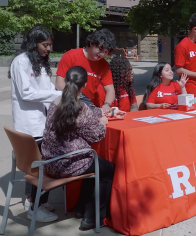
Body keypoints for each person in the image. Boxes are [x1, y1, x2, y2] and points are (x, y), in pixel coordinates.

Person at [42, 66, 115, 229]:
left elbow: (84, 115)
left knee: (94, 164)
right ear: (84, 85)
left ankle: (82, 209)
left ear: (66, 81)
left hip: (49, 162)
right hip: (68, 163)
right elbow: (96, 135)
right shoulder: (80, 108)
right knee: (107, 169)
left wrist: (106, 112)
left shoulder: (55, 102)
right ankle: (93, 217)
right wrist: (103, 123)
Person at [9, 25, 61, 222]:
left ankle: (35, 201)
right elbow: (26, 93)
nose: (48, 49)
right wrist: (58, 94)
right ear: (34, 43)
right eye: (44, 44)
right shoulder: (21, 62)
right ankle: (33, 205)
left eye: (50, 45)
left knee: (40, 165)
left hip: (43, 121)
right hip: (29, 124)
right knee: (39, 167)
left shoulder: (39, 62)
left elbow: (47, 88)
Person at [55, 29, 116, 114]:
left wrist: (106, 104)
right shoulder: (71, 56)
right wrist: (75, 96)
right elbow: (59, 82)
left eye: (105, 52)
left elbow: (110, 89)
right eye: (100, 49)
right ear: (91, 43)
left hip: (86, 105)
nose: (102, 54)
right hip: (66, 103)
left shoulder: (104, 65)